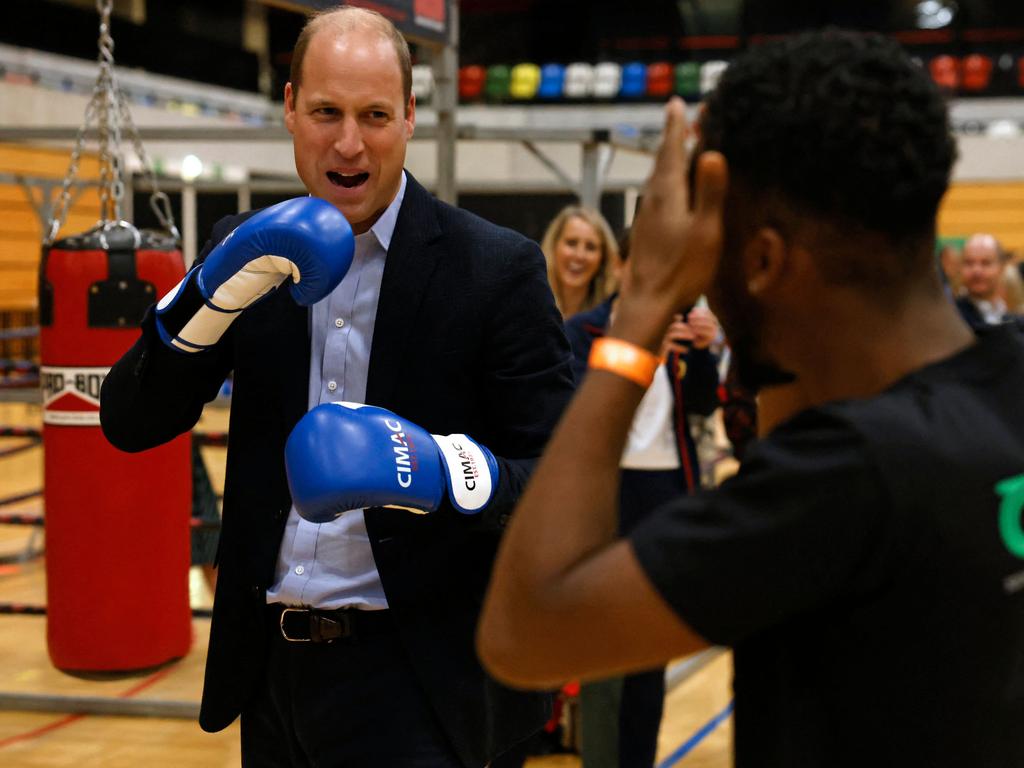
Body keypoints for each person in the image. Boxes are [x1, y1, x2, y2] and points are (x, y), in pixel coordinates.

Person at [477, 29, 1024, 768]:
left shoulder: (846, 480)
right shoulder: (1004, 380)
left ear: (763, 259)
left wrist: (640, 307)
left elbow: (524, 630)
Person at [100, 6, 574, 768]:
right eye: (326, 112)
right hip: (271, 677)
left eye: (375, 115)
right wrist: (208, 295)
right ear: (289, 108)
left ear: (411, 117)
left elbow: (561, 481)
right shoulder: (245, 252)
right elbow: (129, 420)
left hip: (418, 681)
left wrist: (436, 469)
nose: (349, 143)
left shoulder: (495, 270)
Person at [564, 229, 720, 768]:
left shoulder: (679, 331)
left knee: (651, 653)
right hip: (608, 492)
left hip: (665, 492)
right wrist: (641, 354)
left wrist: (704, 352)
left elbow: (701, 404)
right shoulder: (582, 330)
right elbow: (579, 409)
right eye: (644, 263)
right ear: (622, 267)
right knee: (604, 652)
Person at [541, 205, 619, 318]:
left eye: (590, 247)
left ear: (603, 258)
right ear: (553, 246)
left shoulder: (612, 315)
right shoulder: (530, 304)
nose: (579, 255)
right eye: (571, 243)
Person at [956, 233, 1020, 329]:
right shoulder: (951, 317)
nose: (976, 271)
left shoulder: (1017, 323)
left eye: (985, 263)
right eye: (969, 263)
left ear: (1002, 268)